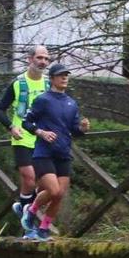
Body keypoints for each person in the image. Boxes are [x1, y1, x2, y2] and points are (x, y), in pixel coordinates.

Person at [22, 64, 89, 240]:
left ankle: (44, 229)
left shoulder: (71, 103)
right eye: (60, 75)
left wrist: (82, 128)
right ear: (51, 79)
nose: (64, 78)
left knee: (59, 195)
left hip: (63, 153)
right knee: (53, 190)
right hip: (44, 152)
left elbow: (74, 130)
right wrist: (40, 132)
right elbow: (26, 122)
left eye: (66, 75)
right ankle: (31, 210)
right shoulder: (43, 99)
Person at [0, 44, 53, 227]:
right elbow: (0, 110)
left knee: (45, 183)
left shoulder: (48, 84)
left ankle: (24, 207)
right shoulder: (18, 83)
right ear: (30, 59)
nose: (43, 62)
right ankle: (28, 219)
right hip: (22, 137)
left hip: (43, 138)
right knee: (29, 177)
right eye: (39, 58)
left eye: (46, 59)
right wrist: (11, 127)